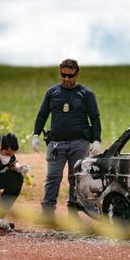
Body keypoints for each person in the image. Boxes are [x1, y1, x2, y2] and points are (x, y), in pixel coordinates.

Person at [32, 58, 101, 221]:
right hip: (56, 143)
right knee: (53, 177)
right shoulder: (52, 92)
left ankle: (73, 213)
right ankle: (48, 213)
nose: (66, 79)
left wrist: (96, 140)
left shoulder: (86, 94)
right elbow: (42, 114)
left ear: (77, 74)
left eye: (70, 76)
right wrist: (35, 134)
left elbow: (95, 118)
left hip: (79, 142)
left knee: (75, 177)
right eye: (63, 75)